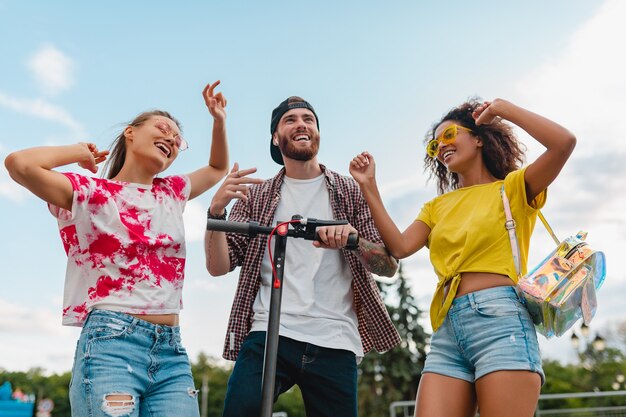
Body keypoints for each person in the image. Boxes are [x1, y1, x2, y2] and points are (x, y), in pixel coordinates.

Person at [4, 81, 230, 417]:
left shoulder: (172, 191)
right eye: (163, 128)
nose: (171, 139)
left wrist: (218, 121)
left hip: (171, 351)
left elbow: (216, 168)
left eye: (177, 141)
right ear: (131, 133)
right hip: (112, 343)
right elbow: (19, 164)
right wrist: (80, 151)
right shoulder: (92, 192)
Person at [349, 98, 576, 417]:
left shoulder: (511, 189)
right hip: (447, 328)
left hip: (501, 320)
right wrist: (368, 186)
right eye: (434, 146)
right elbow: (399, 247)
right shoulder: (435, 207)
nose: (441, 147)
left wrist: (501, 109)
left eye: (449, 135)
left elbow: (563, 143)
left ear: (479, 137)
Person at [204, 96, 401, 417]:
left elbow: (388, 266)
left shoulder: (349, 190)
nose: (302, 124)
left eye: (309, 119)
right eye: (290, 119)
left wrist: (353, 241)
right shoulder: (256, 194)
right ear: (275, 137)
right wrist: (215, 212)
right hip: (269, 332)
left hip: (336, 337)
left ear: (317, 133)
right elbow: (217, 267)